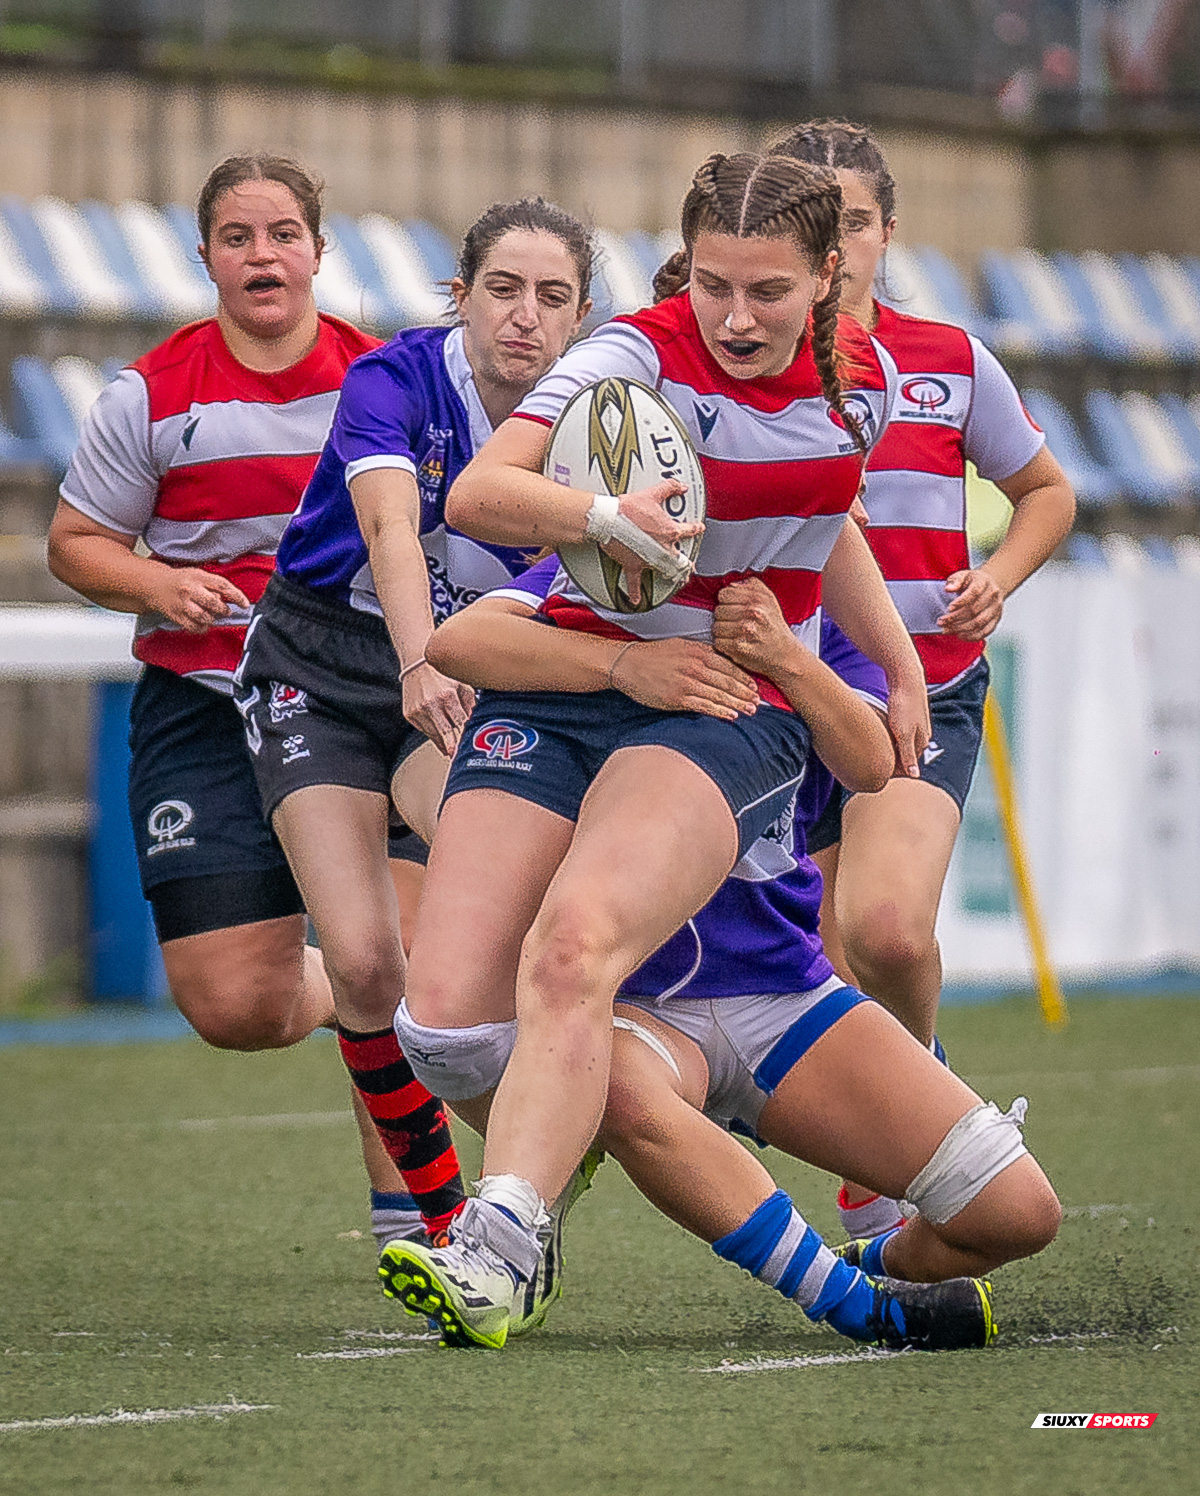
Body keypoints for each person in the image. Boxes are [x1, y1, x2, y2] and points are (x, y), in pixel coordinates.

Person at [385, 150, 934, 1349]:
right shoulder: (627, 352)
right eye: (715, 287)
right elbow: (478, 497)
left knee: (574, 946)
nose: (735, 318)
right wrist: (599, 518)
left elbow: (824, 506)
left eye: (769, 293)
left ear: (829, 278)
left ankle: (508, 1235)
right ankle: (562, 1145)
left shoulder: (868, 389)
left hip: (718, 704)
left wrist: (892, 659)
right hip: (581, 676)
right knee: (443, 1029)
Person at [404, 557, 1061, 1349]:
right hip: (636, 1006)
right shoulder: (616, 572)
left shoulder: (833, 624)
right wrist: (623, 665)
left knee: (1019, 1214)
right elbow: (462, 638)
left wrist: (784, 655)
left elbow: (875, 761)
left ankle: (867, 1258)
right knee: (588, 1073)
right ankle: (844, 1297)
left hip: (780, 987)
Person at [45, 153, 441, 1238]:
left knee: (391, 962)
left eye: (281, 234)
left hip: (366, 703)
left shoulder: (389, 380)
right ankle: (356, 987)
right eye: (237, 237)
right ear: (207, 256)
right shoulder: (152, 395)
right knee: (235, 1007)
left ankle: (425, 1229)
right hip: (208, 707)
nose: (262, 256)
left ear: (320, 248)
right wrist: (159, 582)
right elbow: (76, 544)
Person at [234, 197, 594, 1244]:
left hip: (471, 674)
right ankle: (436, 1218)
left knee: (532, 911)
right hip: (327, 665)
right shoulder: (392, 379)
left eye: (553, 296)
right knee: (362, 961)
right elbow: (390, 523)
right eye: (502, 289)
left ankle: (553, 1146)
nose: (524, 315)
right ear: (460, 297)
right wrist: (418, 659)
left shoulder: (595, 419)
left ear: (581, 319)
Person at [771, 120, 1075, 1239]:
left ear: (888, 232)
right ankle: (879, 1159)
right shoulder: (736, 368)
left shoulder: (948, 360)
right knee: (819, 948)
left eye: (853, 221)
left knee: (888, 932)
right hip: (779, 693)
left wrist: (996, 576)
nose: (837, 246)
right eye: (816, 223)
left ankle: (932, 1114)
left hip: (920, 687)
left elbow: (1047, 491)